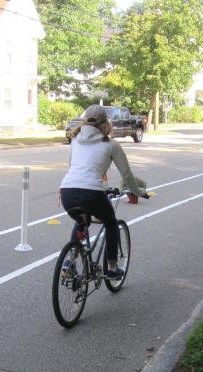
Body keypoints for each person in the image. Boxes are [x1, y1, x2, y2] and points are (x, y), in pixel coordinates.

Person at [60, 105, 148, 280]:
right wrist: (137, 191)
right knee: (110, 223)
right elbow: (127, 174)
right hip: (92, 192)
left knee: (80, 221)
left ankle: (69, 262)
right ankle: (112, 267)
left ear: (85, 122)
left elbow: (72, 167)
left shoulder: (75, 139)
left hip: (67, 191)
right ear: (106, 123)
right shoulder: (111, 144)